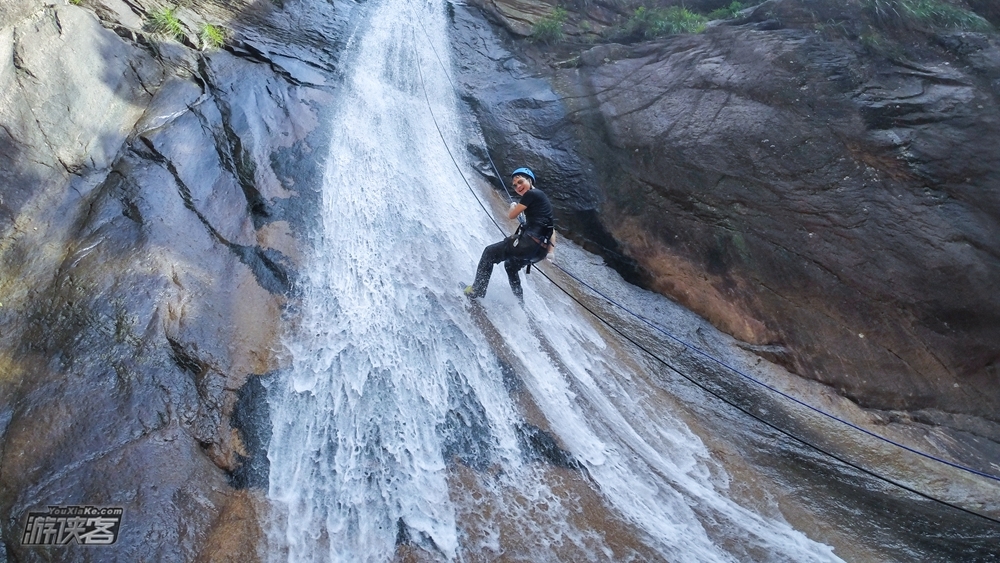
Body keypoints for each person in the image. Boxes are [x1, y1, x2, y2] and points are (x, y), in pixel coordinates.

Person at [465, 167, 555, 301]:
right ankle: (520, 303)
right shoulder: (541, 200)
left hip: (527, 244)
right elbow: (552, 229)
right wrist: (550, 251)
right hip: (539, 252)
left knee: (489, 252)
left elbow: (512, 215)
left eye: (521, 182)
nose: (518, 186)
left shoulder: (531, 194)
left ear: (530, 180)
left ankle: (477, 289)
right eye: (515, 185)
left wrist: (513, 207)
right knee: (510, 266)